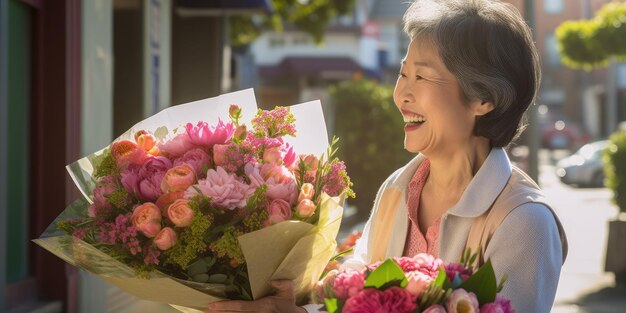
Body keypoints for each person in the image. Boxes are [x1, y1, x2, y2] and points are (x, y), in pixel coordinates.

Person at [206, 0, 567, 312]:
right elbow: (353, 295)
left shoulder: (524, 222)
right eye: (402, 73)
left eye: (422, 78)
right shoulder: (398, 189)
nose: (402, 94)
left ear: (483, 99)